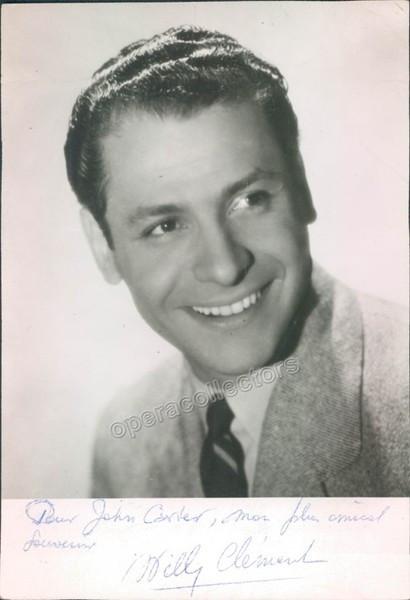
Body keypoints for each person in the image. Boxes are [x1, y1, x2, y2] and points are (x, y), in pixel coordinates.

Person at [64, 25, 408, 497]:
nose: (225, 267)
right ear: (103, 247)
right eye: (165, 226)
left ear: (302, 187)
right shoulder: (124, 443)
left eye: (250, 200)